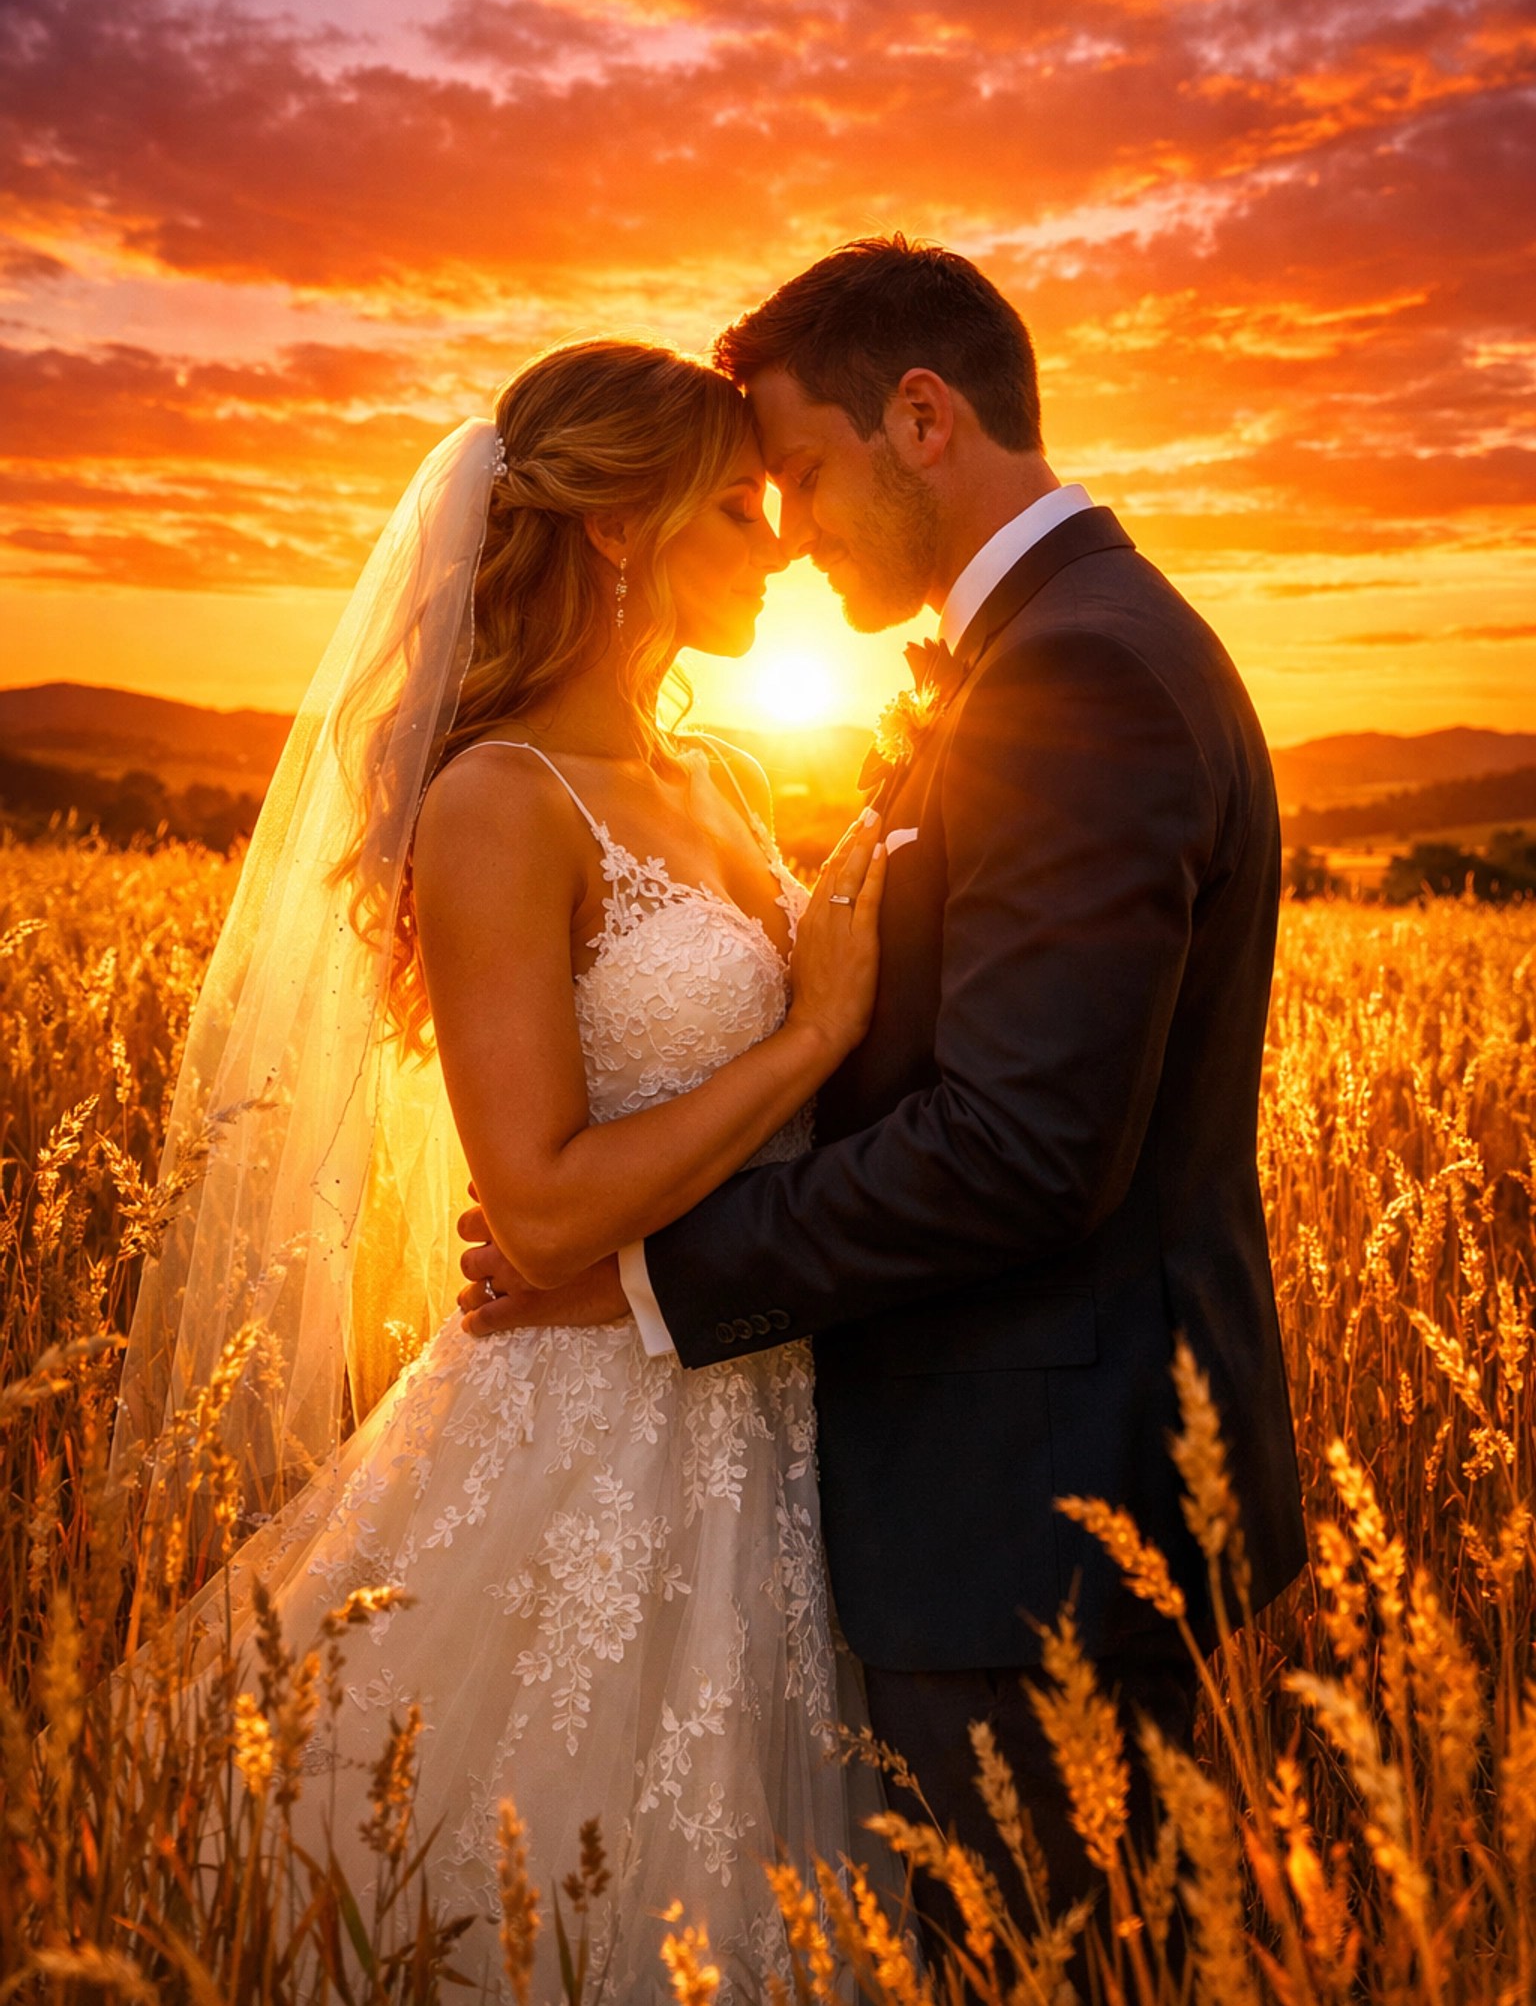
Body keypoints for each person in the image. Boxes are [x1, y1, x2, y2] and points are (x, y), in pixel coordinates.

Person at [462, 241, 1309, 1941]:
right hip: (920, 1497)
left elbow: (1020, 1149)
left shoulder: (1075, 668)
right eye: (749, 496)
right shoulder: (1054, 648)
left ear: (922, 419)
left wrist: (643, 1274)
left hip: (1028, 1512)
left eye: (797, 471)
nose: (787, 530)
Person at [114, 339, 897, 2002]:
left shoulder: (726, 774)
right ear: (617, 527)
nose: (775, 547)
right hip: (590, 1431)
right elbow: (534, 1207)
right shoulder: (499, 801)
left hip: (765, 1408)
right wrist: (814, 1033)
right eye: (737, 508)